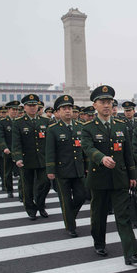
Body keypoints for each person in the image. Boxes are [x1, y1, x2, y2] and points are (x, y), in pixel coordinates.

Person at [81, 85, 137, 264]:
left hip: (119, 178)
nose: (106, 105)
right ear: (95, 105)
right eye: (102, 102)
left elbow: (128, 153)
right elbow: (87, 147)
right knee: (99, 215)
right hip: (99, 178)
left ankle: (130, 253)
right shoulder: (88, 128)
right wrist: (101, 158)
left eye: (109, 102)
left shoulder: (121, 126)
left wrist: (133, 176)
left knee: (123, 216)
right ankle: (99, 243)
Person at [46, 95, 87, 238]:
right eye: (64, 109)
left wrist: (86, 166)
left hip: (78, 169)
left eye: (70, 108)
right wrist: (50, 170)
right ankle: (71, 226)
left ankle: (70, 215)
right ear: (58, 112)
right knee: (65, 199)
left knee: (81, 196)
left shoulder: (80, 126)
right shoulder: (53, 129)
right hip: (62, 170)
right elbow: (50, 151)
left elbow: (84, 149)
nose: (68, 111)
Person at [12, 94, 51, 220]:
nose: (33, 108)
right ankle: (30, 209)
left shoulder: (45, 121)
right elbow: (16, 142)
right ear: (25, 107)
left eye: (35, 105)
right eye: (30, 105)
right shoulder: (18, 123)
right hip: (26, 159)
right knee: (27, 186)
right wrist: (18, 157)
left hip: (42, 159)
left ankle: (40, 205)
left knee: (45, 184)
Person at [0, 101, 21, 199]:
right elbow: (1, 136)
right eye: (13, 109)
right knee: (7, 172)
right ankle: (9, 190)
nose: (15, 112)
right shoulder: (2, 122)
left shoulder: (20, 121)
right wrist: (4, 148)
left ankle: (22, 193)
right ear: (8, 110)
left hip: (19, 151)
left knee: (21, 173)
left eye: (16, 110)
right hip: (8, 151)